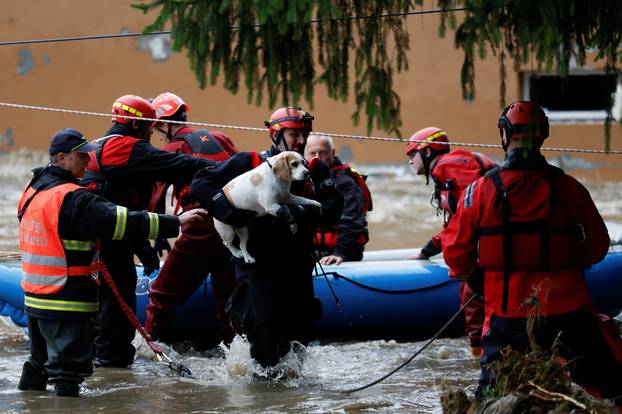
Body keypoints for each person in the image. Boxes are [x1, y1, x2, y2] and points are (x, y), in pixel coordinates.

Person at [442, 101, 622, 404]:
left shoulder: (478, 191)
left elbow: (455, 253)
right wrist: (562, 257)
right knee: (615, 390)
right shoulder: (570, 188)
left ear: (505, 135)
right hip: (571, 312)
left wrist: (477, 279)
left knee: (490, 401)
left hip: (505, 316)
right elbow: (597, 247)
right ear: (543, 136)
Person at [17, 128, 205, 397]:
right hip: (66, 300)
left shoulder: (34, 188)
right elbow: (123, 221)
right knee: (69, 374)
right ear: (61, 158)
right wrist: (176, 222)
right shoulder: (74, 198)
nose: (87, 161)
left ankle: (30, 404)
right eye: (81, 156)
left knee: (38, 365)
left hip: (35, 299)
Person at [81, 95, 218, 368]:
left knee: (107, 306)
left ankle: (107, 361)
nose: (151, 134)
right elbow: (179, 166)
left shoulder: (100, 145)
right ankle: (112, 367)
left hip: (102, 240)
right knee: (116, 307)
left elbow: (122, 204)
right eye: (148, 127)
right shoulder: (128, 148)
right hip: (109, 244)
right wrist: (223, 168)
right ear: (135, 125)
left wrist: (142, 246)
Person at [190, 107, 328, 371]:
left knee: (298, 334)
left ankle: (295, 400)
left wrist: (298, 211)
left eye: (304, 135)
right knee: (263, 331)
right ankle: (261, 398)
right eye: (293, 134)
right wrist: (227, 211)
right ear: (275, 135)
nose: (300, 141)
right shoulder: (247, 162)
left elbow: (331, 209)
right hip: (257, 264)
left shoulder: (314, 170)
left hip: (296, 264)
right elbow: (202, 183)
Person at [144, 92, 238, 343]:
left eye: (157, 129)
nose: (158, 136)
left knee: (161, 295)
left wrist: (154, 234)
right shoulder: (220, 138)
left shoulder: (173, 149)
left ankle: (153, 348)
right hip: (236, 225)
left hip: (202, 226)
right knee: (228, 299)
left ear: (165, 124)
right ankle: (236, 352)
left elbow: (155, 195)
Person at [406, 127, 495, 356]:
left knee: (471, 296)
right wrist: (427, 250)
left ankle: (480, 358)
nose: (409, 162)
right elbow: (456, 223)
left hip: (489, 244)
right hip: (489, 240)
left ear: (426, 153)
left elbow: (471, 212)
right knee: (470, 296)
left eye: (411, 155)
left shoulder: (449, 167)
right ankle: (482, 354)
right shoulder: (452, 166)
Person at [304, 134, 372, 265]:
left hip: (340, 253)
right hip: (312, 251)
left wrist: (340, 252)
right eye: (312, 153)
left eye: (322, 152)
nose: (317, 157)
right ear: (305, 155)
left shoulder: (346, 182)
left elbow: (351, 220)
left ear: (332, 153)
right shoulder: (303, 180)